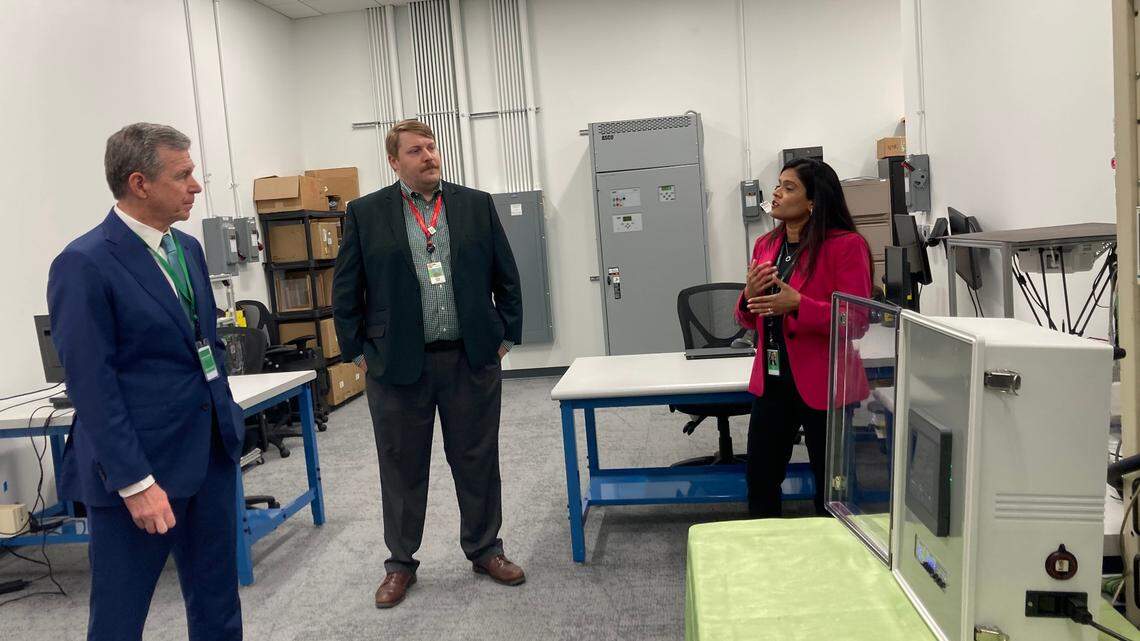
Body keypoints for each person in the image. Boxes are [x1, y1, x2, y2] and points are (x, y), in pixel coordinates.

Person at [47, 123, 245, 640]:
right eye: (183, 176)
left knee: (218, 606)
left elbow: (206, 345)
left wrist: (225, 425)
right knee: (119, 618)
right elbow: (93, 387)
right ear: (140, 183)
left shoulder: (187, 250)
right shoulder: (84, 263)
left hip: (210, 456)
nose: (196, 186)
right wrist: (136, 483)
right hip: (140, 476)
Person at [332, 119, 524, 609]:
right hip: (397, 366)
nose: (429, 156)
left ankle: (485, 550)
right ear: (395, 162)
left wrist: (506, 336)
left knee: (477, 460)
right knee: (401, 467)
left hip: (469, 359)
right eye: (416, 151)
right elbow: (346, 291)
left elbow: (507, 276)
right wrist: (358, 352)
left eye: (432, 147)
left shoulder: (475, 204)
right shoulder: (366, 212)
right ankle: (400, 564)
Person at [735, 158, 872, 517]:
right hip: (773, 380)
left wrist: (798, 304)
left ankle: (834, 562)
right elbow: (747, 318)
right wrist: (748, 296)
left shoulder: (846, 246)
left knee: (832, 488)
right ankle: (766, 556)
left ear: (814, 201)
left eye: (789, 187)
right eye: (778, 185)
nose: (777, 193)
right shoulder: (766, 245)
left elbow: (857, 320)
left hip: (826, 384)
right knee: (761, 479)